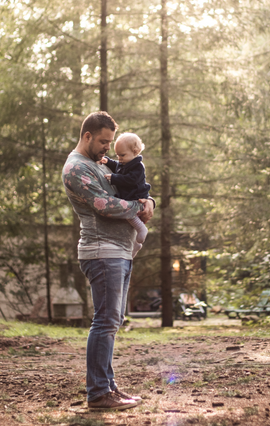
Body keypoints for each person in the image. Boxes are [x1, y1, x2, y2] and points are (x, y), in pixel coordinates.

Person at [62, 111, 155, 411]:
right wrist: (136, 206)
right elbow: (105, 205)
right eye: (103, 142)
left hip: (119, 251)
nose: (108, 148)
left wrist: (149, 201)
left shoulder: (96, 164)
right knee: (104, 322)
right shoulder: (76, 168)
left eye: (111, 142)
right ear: (87, 136)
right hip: (102, 252)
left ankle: (107, 386)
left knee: (113, 321)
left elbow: (130, 184)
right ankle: (98, 393)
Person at [101, 132, 150, 258]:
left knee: (127, 212)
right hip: (129, 195)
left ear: (135, 151)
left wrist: (114, 178)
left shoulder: (138, 166)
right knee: (126, 217)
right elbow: (116, 166)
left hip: (135, 196)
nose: (119, 158)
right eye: (117, 155)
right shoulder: (125, 163)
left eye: (122, 155)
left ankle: (141, 228)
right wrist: (108, 162)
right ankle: (135, 244)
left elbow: (130, 180)